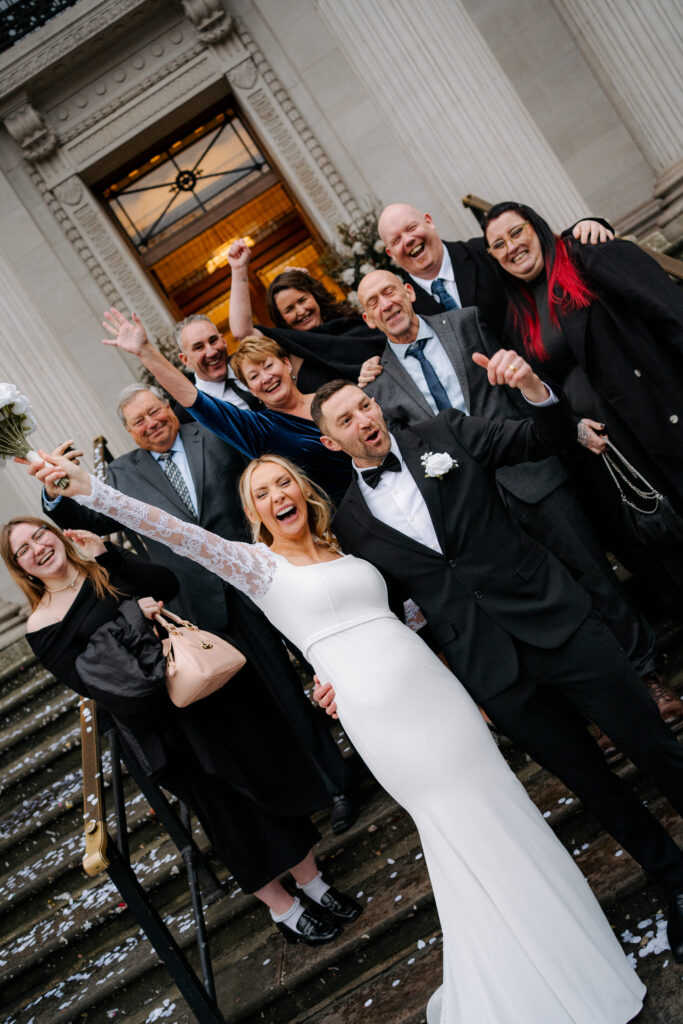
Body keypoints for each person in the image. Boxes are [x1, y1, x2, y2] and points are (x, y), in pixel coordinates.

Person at [26, 396, 647, 1024]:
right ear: (252, 513)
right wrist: (93, 494)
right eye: (261, 492)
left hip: (442, 695)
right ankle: (527, 989)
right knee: (461, 828)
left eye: (283, 483)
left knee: (505, 809)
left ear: (303, 490)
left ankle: (572, 956)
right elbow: (172, 530)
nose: (276, 497)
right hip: (384, 717)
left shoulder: (345, 546)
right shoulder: (256, 567)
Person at [308, 378, 683, 967]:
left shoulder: (445, 433)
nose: (363, 419)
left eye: (365, 405)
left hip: (558, 622)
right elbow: (377, 612)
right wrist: (340, 677)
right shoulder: (351, 523)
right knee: (594, 786)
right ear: (331, 443)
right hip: (493, 670)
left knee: (652, 742)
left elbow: (541, 438)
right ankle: (673, 879)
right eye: (346, 419)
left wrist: (536, 393)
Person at [0, 518, 360, 944]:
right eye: (23, 549)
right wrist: (133, 616)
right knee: (227, 815)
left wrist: (109, 554)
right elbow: (90, 678)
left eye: (40, 534)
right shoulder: (42, 625)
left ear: (57, 534)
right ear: (21, 568)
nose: (38, 548)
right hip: (165, 729)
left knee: (271, 784)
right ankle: (285, 909)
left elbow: (165, 582)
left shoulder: (101, 567)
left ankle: (313, 883)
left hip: (211, 693)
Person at [353, 269, 679, 735]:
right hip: (474, 510)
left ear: (408, 292)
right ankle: (603, 709)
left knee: (594, 575)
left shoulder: (465, 323)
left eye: (391, 291)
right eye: (374, 302)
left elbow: (524, 379)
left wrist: (569, 424)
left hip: (534, 475)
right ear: (369, 318)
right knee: (542, 605)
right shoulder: (378, 388)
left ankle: (648, 677)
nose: (386, 303)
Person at [41, 384, 358, 833]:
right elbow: (88, 519)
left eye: (156, 411)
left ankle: (363, 759)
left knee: (317, 672)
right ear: (128, 431)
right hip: (200, 610)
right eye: (139, 421)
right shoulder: (121, 474)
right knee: (269, 706)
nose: (151, 423)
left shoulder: (210, 436)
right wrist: (57, 494)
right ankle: (328, 790)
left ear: (168, 408)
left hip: (262, 582)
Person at [482, 200, 683, 618]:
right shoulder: (516, 316)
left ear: (536, 227)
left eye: (517, 232)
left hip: (657, 410)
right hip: (609, 448)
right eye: (498, 244)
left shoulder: (585, 255)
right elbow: (540, 390)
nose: (512, 247)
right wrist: (571, 424)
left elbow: (667, 310)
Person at [99, 313, 354, 504]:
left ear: (287, 364)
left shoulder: (328, 399)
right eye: (254, 376)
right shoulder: (261, 427)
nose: (266, 378)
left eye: (268, 366)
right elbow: (196, 401)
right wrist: (146, 352)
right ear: (249, 388)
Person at [375, 202, 613, 335]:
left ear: (429, 221)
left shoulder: (484, 250)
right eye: (396, 240)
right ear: (391, 254)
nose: (408, 241)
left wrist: (584, 229)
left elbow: (540, 249)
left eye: (411, 227)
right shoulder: (402, 305)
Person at [227, 239, 384, 391]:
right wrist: (239, 269)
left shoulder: (350, 322)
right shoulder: (288, 347)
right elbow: (242, 332)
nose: (301, 311)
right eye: (289, 309)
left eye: (302, 300)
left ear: (314, 295)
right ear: (282, 319)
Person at [175, 313, 261, 411]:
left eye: (213, 341)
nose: (211, 352)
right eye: (199, 347)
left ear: (224, 341)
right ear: (186, 360)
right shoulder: (190, 410)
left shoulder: (253, 363)